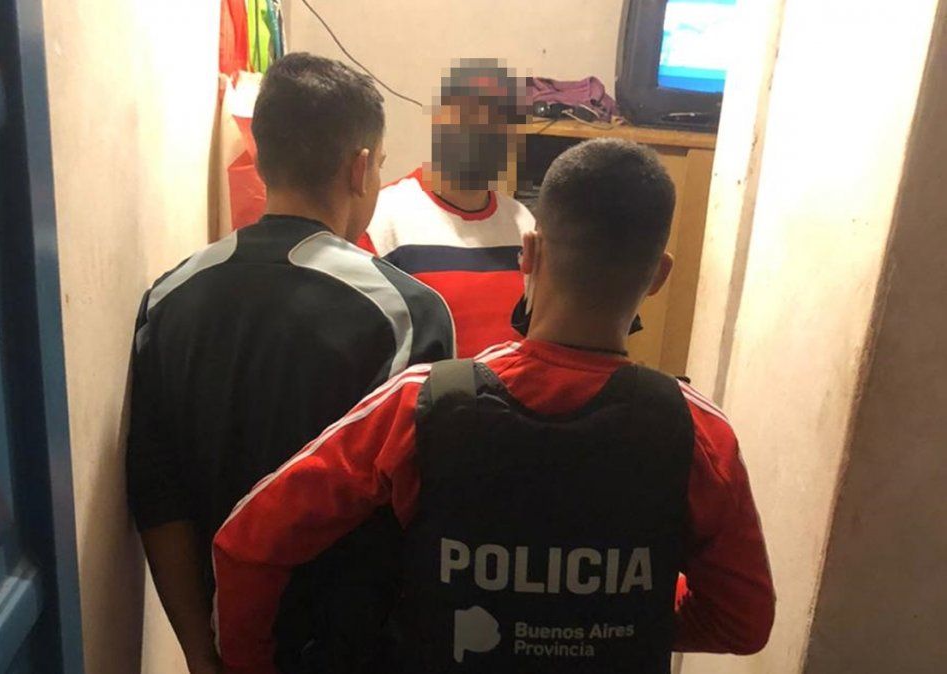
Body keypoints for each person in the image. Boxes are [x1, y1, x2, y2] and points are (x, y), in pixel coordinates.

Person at [213, 138, 776, 673]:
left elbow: (246, 545)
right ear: (658, 275)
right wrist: (618, 616)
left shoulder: (418, 405)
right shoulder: (699, 432)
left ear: (528, 253)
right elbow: (743, 621)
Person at [126, 53, 455, 674]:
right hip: (355, 652)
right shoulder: (409, 312)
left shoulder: (167, 298)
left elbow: (156, 495)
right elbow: (426, 514)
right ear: (359, 168)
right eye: (380, 164)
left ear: (263, 158)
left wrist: (200, 652)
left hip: (223, 645)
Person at [358, 58, 536, 358]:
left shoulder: (524, 224)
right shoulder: (381, 219)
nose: (484, 134)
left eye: (500, 123)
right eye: (470, 117)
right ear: (438, 121)